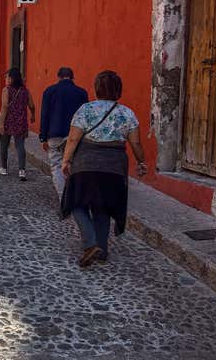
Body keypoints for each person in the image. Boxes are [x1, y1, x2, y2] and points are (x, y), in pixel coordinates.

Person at [61, 70, 148, 267]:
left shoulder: (86, 110)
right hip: (114, 166)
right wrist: (142, 162)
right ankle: (101, 250)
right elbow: (136, 144)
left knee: (75, 202)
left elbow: (74, 138)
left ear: (97, 88)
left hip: (86, 163)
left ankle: (91, 243)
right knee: (104, 207)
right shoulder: (127, 113)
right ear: (119, 90)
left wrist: (65, 161)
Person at [39, 67, 89, 192]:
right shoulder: (82, 93)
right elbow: (85, 117)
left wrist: (43, 137)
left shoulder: (50, 91)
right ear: (72, 77)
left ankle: (63, 198)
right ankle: (74, 195)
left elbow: (45, 115)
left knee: (56, 166)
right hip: (75, 135)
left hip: (54, 134)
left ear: (59, 77)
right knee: (73, 165)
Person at [0, 68, 36, 181]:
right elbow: (32, 105)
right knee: (20, 146)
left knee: (4, 145)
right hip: (21, 121)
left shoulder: (6, 90)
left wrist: (1, 123)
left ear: (11, 78)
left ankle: (4, 168)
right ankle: (22, 171)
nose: (6, 79)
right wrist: (33, 116)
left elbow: (4, 107)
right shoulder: (25, 91)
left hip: (8, 121)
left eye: (7, 77)